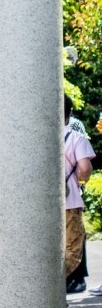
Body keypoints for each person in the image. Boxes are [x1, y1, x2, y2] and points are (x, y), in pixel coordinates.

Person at [64, 95, 95, 294]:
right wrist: (81, 180)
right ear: (71, 112)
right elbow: (85, 168)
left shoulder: (38, 139)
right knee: (72, 249)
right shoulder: (75, 138)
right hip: (69, 202)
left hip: (40, 206)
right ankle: (52, 285)